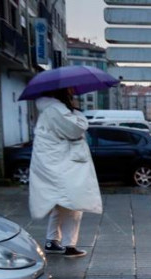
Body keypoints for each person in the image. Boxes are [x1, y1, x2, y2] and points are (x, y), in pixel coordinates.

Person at [28, 87, 102, 258]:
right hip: (64, 165)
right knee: (75, 204)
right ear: (62, 93)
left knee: (60, 204)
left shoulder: (48, 110)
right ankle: (69, 245)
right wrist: (76, 111)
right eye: (69, 91)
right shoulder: (56, 110)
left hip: (56, 163)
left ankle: (52, 241)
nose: (73, 93)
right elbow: (76, 129)